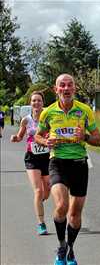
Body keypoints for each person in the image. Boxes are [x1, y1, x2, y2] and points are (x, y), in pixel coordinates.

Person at [35, 74, 100, 265]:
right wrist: (45, 141)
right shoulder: (47, 113)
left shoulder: (85, 111)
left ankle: (71, 249)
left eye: (69, 85)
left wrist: (86, 137)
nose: (66, 88)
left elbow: (99, 140)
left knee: (75, 214)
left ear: (74, 89)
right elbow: (37, 136)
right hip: (58, 162)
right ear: (56, 89)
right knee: (61, 206)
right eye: (62, 86)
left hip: (80, 164)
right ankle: (62, 245)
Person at [10, 91, 50, 235]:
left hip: (47, 157)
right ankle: (41, 223)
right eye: (34, 101)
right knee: (38, 191)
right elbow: (20, 136)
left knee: (47, 191)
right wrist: (15, 137)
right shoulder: (26, 120)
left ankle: (41, 199)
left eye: (39, 100)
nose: (36, 103)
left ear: (43, 103)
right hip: (32, 157)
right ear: (30, 103)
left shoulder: (48, 118)